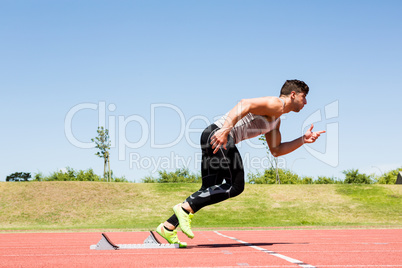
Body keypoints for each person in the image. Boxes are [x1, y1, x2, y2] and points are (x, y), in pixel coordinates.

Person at [156, 79, 325, 247]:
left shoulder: (276, 120)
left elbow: (277, 150)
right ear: (293, 95)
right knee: (235, 186)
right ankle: (184, 209)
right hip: (220, 135)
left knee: (207, 191)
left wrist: (303, 139)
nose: (306, 102)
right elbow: (244, 104)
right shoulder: (277, 104)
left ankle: (167, 227)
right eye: (304, 97)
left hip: (212, 135)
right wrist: (226, 129)